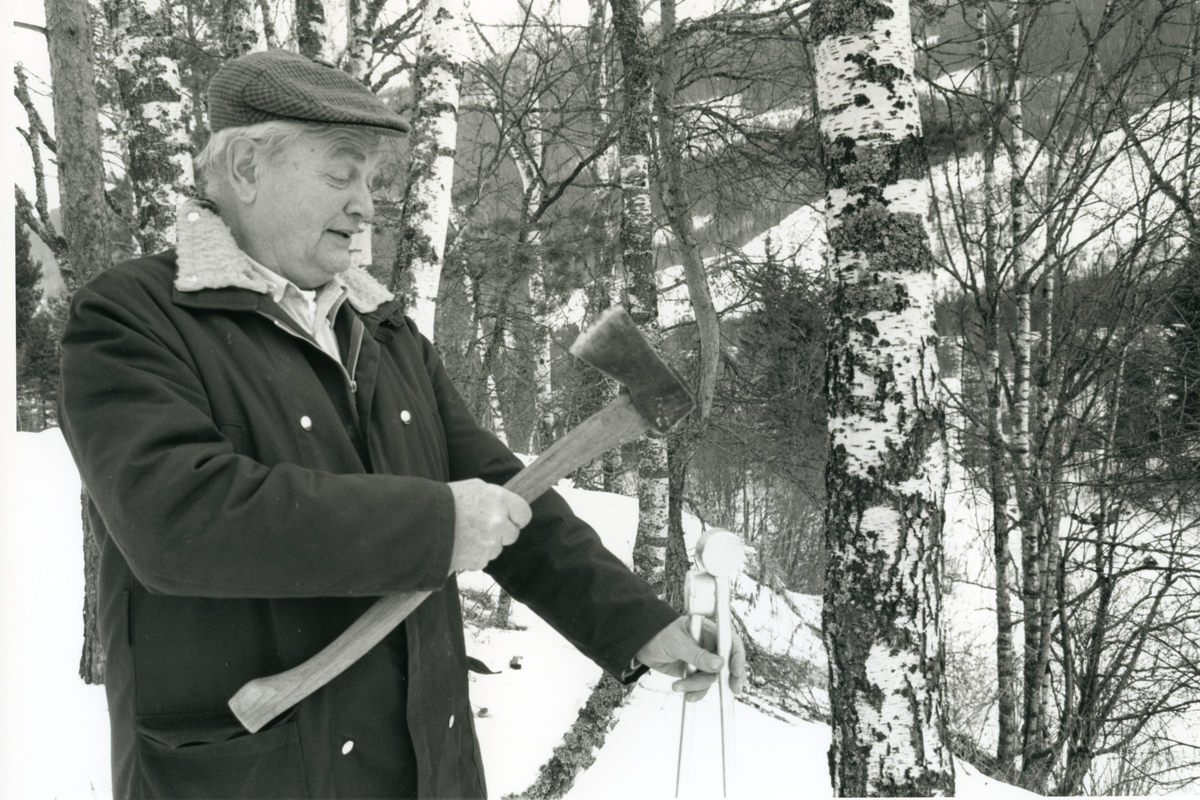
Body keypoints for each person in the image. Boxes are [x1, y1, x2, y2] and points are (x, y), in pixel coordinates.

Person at [58, 49, 745, 799]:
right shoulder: (133, 317)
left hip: (424, 768)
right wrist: (435, 526)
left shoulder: (379, 325)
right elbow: (177, 517)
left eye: (371, 181)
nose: (366, 205)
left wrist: (637, 623)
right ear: (248, 167)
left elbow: (499, 491)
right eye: (341, 173)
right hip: (253, 773)